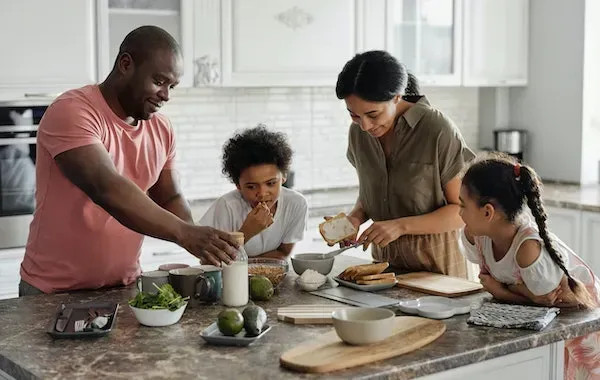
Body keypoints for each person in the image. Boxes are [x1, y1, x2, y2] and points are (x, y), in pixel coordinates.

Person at [19, 26, 238, 296]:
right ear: (125, 64)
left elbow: (169, 196)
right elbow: (106, 188)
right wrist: (185, 233)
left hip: (124, 287)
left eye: (172, 86)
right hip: (53, 292)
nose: (166, 95)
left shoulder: (161, 128)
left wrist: (199, 239)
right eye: (159, 81)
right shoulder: (73, 111)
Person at [330, 50, 475, 278]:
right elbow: (372, 193)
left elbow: (463, 211)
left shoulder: (436, 130)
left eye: (373, 115)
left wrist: (400, 226)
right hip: (384, 271)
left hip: (439, 270)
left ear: (397, 97)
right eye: (354, 115)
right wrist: (355, 218)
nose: (365, 126)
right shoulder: (358, 134)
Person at [458, 152, 600, 378]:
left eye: (462, 205)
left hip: (582, 323)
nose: (459, 213)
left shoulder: (528, 249)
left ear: (487, 212)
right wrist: (519, 292)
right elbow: (534, 299)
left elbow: (548, 305)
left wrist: (502, 292)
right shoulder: (478, 236)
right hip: (547, 321)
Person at [199, 125, 308, 259]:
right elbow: (208, 262)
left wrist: (250, 267)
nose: (262, 193)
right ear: (238, 185)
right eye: (251, 186)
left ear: (283, 176)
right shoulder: (227, 206)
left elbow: (283, 253)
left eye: (271, 183)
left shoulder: (296, 203)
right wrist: (246, 232)